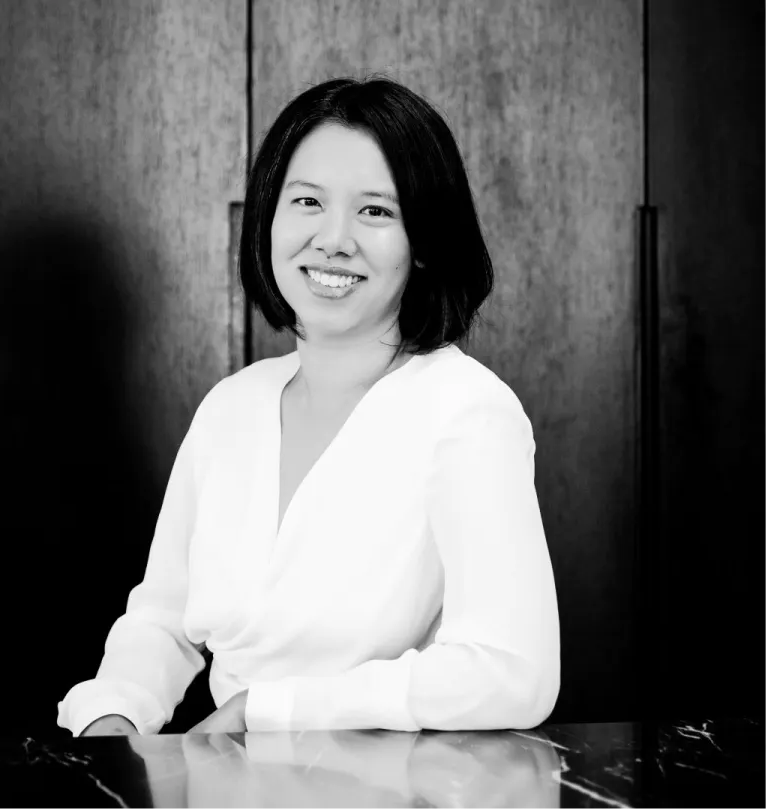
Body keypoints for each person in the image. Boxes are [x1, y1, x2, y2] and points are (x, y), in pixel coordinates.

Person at [57, 76, 560, 738]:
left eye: (375, 211)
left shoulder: (468, 412)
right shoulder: (230, 408)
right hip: (224, 784)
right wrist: (113, 713)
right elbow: (162, 621)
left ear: (425, 243)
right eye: (307, 201)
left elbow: (513, 671)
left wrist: (274, 711)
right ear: (269, 216)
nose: (333, 238)